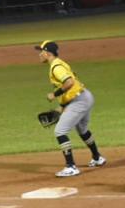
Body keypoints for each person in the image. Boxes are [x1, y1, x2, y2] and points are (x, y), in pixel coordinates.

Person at [35, 40, 106, 177]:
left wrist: (54, 94)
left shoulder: (56, 67)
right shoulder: (60, 63)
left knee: (60, 131)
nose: (39, 54)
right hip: (84, 97)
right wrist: (61, 107)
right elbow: (71, 88)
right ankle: (98, 158)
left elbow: (69, 82)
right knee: (82, 129)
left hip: (79, 101)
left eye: (41, 51)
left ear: (48, 53)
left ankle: (71, 166)